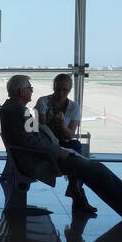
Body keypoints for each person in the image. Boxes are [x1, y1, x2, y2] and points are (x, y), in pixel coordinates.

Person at [0, 74, 122, 219]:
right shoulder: (19, 112)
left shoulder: (15, 109)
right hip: (42, 159)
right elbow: (32, 142)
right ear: (22, 92)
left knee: (88, 165)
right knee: (94, 168)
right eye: (30, 88)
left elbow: (31, 137)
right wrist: (60, 151)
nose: (32, 91)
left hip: (38, 155)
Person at [35, 73, 91, 212]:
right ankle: (76, 191)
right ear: (53, 88)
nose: (60, 93)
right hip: (47, 142)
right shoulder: (43, 101)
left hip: (61, 141)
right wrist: (55, 123)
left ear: (69, 90)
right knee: (79, 154)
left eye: (65, 90)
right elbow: (40, 126)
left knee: (76, 146)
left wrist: (61, 125)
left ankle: (75, 188)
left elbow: (71, 133)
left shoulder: (74, 107)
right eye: (58, 89)